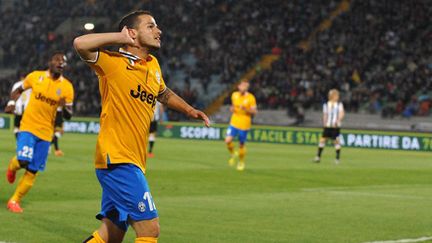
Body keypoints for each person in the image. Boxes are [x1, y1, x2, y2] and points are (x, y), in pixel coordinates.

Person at [73, 10, 210, 243]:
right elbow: (80, 43)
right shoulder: (113, 63)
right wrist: (121, 38)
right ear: (133, 33)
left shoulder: (152, 65)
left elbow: (163, 93)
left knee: (111, 234)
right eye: (151, 26)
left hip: (131, 160)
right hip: (117, 159)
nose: (159, 31)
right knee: (149, 230)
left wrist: (188, 110)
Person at [4, 51, 74, 213]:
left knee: (33, 169)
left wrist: (63, 107)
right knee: (23, 161)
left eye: (62, 62)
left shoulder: (67, 87)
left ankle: (14, 200)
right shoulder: (35, 76)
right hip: (28, 126)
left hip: (46, 133)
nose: (60, 63)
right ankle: (12, 166)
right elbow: (17, 91)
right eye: (57, 60)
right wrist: (11, 102)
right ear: (50, 62)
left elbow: (68, 115)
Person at [225, 80, 257, 171]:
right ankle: (233, 154)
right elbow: (233, 106)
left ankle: (241, 161)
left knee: (241, 145)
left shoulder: (251, 98)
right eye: (242, 86)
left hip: (244, 124)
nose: (243, 88)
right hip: (234, 122)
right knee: (227, 140)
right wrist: (232, 109)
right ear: (239, 86)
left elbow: (254, 111)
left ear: (247, 88)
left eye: (245, 87)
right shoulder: (234, 95)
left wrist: (246, 109)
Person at [314, 89, 345, 164]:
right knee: (322, 140)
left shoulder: (339, 105)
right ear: (333, 96)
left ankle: (337, 159)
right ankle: (318, 157)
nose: (338, 96)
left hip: (335, 126)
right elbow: (325, 115)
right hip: (328, 126)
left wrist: (338, 121)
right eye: (336, 95)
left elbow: (342, 113)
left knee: (336, 141)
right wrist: (324, 123)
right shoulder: (326, 105)